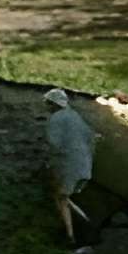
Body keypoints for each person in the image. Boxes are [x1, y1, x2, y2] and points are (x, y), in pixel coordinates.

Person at [43, 87, 96, 243]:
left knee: (60, 198)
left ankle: (70, 235)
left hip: (69, 166)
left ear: (53, 104)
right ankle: (84, 225)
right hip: (85, 166)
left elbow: (55, 145)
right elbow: (90, 139)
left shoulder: (56, 119)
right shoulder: (76, 117)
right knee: (66, 197)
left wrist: (51, 164)